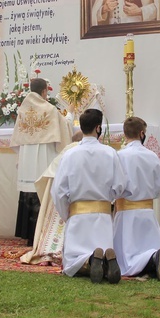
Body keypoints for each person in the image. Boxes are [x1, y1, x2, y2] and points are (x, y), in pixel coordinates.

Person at [51, 109, 126, 284]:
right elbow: (120, 185)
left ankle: (91, 260)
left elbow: (59, 190)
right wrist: (108, 200)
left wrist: (67, 213)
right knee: (104, 245)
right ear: (99, 128)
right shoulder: (110, 153)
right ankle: (104, 260)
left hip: (78, 218)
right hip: (103, 218)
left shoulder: (69, 154)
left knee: (71, 262)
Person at [113, 117, 160, 281]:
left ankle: (155, 259)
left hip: (126, 214)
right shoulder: (152, 156)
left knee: (127, 259)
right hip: (147, 212)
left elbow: (115, 184)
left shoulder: (119, 156)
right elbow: (159, 183)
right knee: (151, 245)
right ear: (142, 133)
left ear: (124, 133)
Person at [10, 77, 72, 246]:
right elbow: (64, 130)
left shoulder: (22, 110)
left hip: (28, 160)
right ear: (44, 91)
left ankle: (28, 234)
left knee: (28, 190)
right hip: (43, 158)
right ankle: (42, 233)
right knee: (42, 190)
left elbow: (16, 140)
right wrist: (71, 114)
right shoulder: (50, 109)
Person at [20, 130, 83, 265]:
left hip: (59, 200)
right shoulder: (82, 151)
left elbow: (49, 180)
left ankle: (49, 249)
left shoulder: (66, 151)